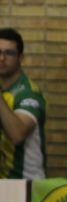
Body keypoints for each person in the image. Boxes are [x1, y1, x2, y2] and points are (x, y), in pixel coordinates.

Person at [0, 29, 46, 179]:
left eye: (9, 53)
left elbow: (17, 134)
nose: (2, 58)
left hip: (26, 185)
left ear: (20, 58)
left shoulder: (29, 92)